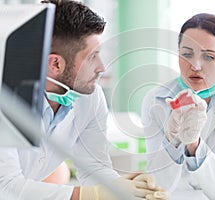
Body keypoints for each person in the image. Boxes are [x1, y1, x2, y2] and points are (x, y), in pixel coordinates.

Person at [0, 0, 168, 199]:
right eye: (92, 56)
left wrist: (122, 187)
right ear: (55, 64)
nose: (102, 67)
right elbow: (6, 187)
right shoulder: (7, 101)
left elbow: (94, 166)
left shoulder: (89, 97)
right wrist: (92, 195)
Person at [141, 13, 215, 200]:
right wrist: (172, 141)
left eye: (208, 57)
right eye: (187, 54)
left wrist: (194, 145)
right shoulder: (156, 101)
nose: (195, 66)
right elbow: (158, 184)